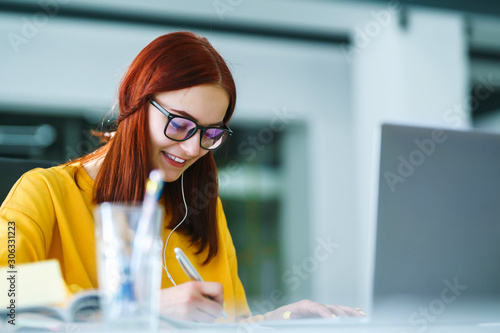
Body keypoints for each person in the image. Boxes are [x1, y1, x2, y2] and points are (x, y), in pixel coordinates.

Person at [0, 31, 364, 323]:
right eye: (179, 124)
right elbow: (8, 293)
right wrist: (142, 309)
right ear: (134, 102)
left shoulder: (202, 208)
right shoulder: (44, 192)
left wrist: (278, 319)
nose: (192, 149)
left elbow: (230, 323)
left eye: (210, 133)